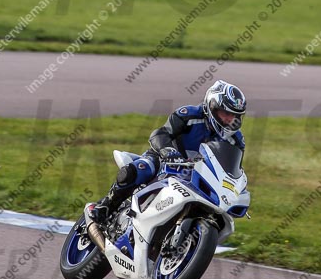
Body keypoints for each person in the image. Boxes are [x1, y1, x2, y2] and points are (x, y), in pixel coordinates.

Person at [91, 80, 247, 223]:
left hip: (197, 175)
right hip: (166, 160)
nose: (229, 120)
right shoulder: (189, 115)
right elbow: (160, 134)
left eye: (234, 115)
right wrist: (168, 151)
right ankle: (106, 206)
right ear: (212, 106)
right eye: (225, 113)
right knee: (140, 169)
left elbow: (232, 169)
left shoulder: (236, 140)